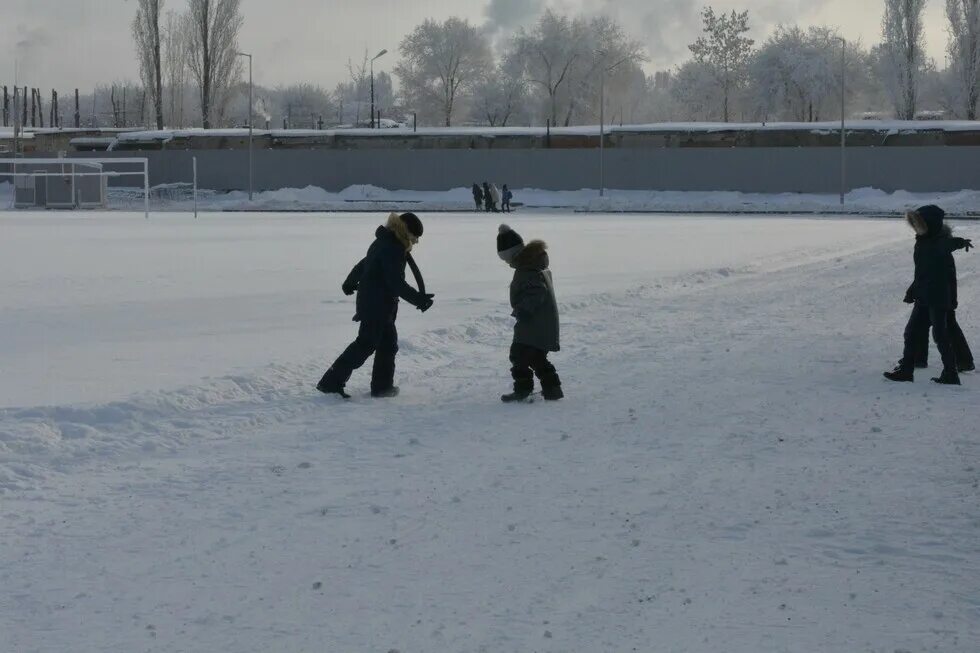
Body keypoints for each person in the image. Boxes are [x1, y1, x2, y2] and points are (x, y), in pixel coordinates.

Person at [316, 212, 435, 399]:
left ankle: (382, 387)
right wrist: (419, 300)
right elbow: (395, 282)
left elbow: (364, 264)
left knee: (388, 345)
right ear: (406, 232)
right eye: (415, 237)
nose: (416, 242)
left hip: (378, 303)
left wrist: (349, 282)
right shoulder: (393, 248)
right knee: (365, 344)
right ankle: (331, 382)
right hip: (377, 305)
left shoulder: (385, 242)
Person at [884, 205, 972, 385]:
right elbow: (922, 272)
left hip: (937, 298)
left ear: (930, 224)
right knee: (911, 332)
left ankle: (951, 373)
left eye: (919, 224)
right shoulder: (923, 241)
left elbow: (950, 244)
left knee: (940, 335)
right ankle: (907, 370)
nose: (916, 228)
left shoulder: (938, 243)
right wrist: (912, 291)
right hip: (924, 296)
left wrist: (962, 242)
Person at [496, 224, 563, 402]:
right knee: (536, 357)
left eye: (506, 259)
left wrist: (524, 309)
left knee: (518, 354)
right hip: (540, 322)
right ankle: (553, 389)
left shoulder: (527, 269)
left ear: (512, 254)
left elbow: (537, 291)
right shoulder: (531, 264)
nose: (507, 263)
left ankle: (523, 390)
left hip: (534, 322)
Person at [905, 240, 975, 372]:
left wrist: (914, 290)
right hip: (932, 294)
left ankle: (961, 362)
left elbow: (928, 272)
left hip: (938, 296)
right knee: (921, 326)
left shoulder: (934, 244)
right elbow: (923, 272)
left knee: (943, 327)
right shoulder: (929, 243)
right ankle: (918, 358)